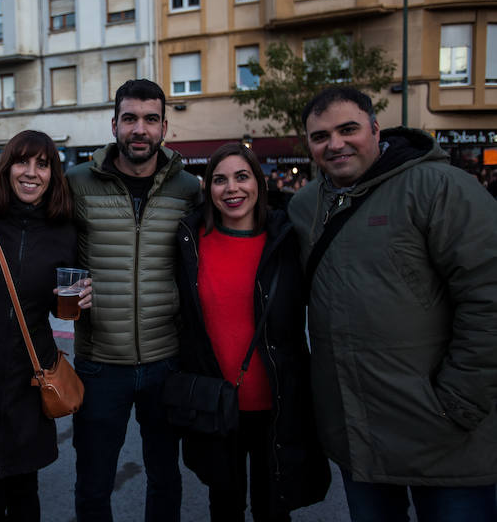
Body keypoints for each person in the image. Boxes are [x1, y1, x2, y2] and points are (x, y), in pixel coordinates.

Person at [289, 86, 497, 522]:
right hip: (356, 429)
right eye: (320, 136)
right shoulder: (306, 205)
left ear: (376, 129)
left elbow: (488, 297)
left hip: (442, 428)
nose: (336, 144)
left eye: (348, 129)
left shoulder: (440, 186)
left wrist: (460, 399)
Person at [65, 78, 202, 521]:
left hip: (166, 360)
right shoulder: (76, 183)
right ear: (114, 125)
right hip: (99, 363)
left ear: (165, 128)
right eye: (129, 119)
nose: (139, 129)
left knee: (165, 478)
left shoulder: (189, 189)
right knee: (93, 483)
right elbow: (42, 244)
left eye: (150, 119)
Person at [175, 143, 330, 522]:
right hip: (216, 403)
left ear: (258, 184)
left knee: (273, 506)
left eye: (242, 177)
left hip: (277, 402)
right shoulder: (189, 240)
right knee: (224, 506)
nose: (231, 188)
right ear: (207, 188)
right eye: (219, 180)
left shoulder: (287, 240)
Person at [0, 130, 93, 522]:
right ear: (6, 168)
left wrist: (82, 296)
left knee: (24, 492)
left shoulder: (64, 232)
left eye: (43, 164)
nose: (31, 173)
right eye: (22, 161)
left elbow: (58, 301)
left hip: (30, 378)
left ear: (53, 174)